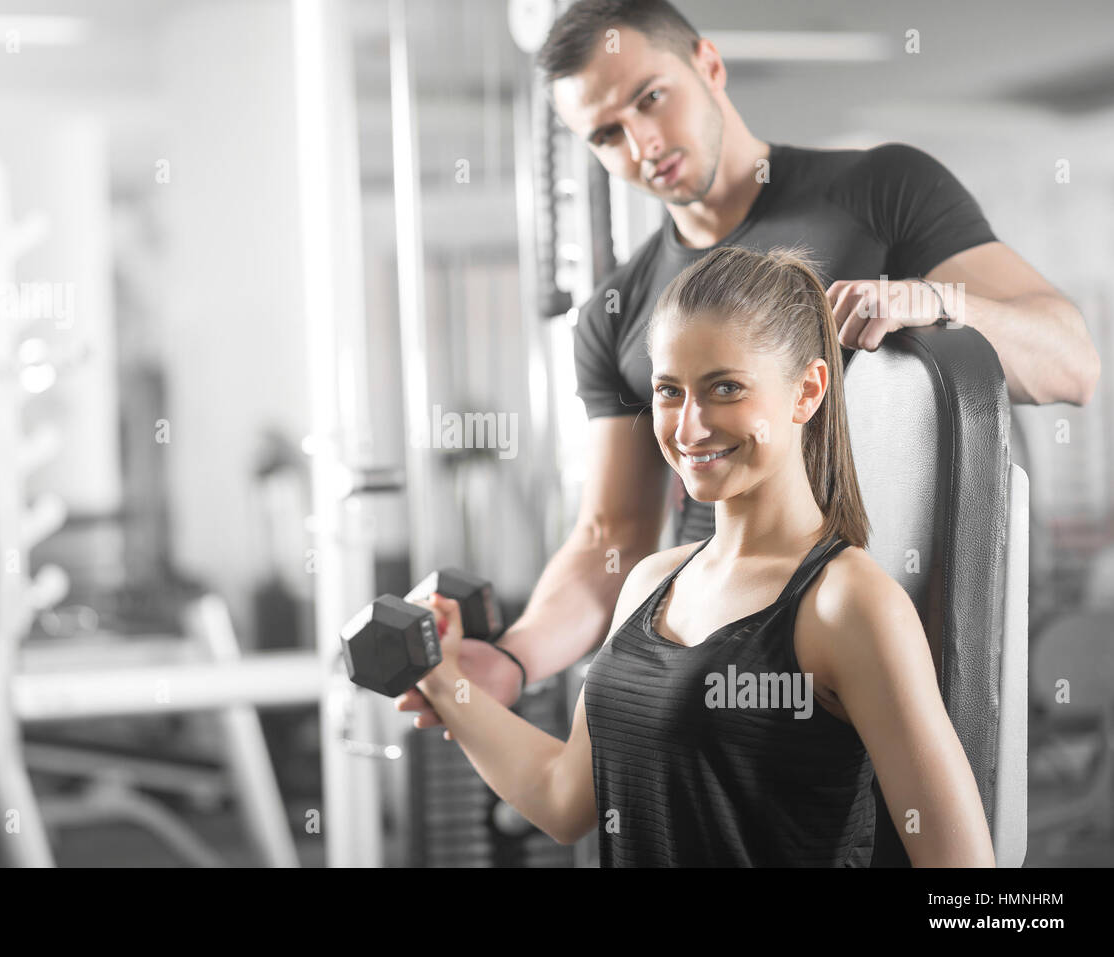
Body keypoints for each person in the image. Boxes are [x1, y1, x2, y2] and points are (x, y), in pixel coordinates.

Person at [398, 0, 1099, 730]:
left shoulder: (882, 190)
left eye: (650, 98)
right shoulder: (618, 310)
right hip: (729, 676)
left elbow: (1072, 366)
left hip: (907, 650)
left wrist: (939, 303)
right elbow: (612, 535)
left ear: (708, 63)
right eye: (606, 134)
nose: (640, 142)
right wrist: (512, 659)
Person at [412, 244, 996, 866]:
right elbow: (563, 798)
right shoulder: (649, 583)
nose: (689, 428)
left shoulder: (846, 603)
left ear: (807, 392)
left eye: (725, 388)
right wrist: (442, 678)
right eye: (669, 391)